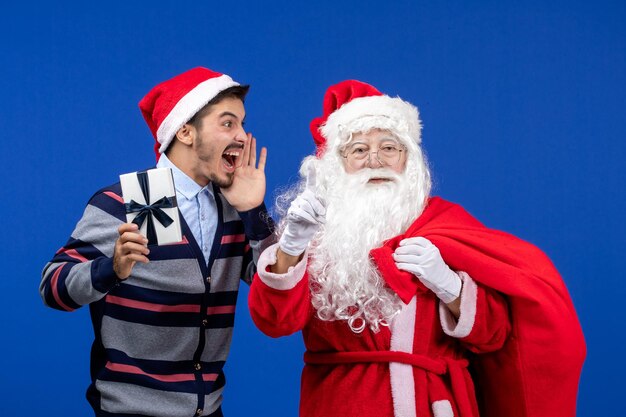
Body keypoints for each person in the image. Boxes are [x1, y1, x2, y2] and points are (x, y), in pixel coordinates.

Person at [248, 80, 585, 417]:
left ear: (408, 158)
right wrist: (292, 245)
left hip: (435, 405)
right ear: (338, 163)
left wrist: (450, 286)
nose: (375, 161)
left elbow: (494, 336)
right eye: (359, 150)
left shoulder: (446, 224)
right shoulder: (316, 232)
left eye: (389, 148)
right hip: (341, 404)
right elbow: (274, 323)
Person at [40, 67, 275, 417]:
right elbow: (52, 288)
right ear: (185, 131)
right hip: (131, 411)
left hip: (209, 410)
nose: (242, 135)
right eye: (228, 123)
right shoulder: (121, 203)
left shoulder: (235, 207)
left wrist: (255, 212)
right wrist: (112, 269)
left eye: (242, 123)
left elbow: (274, 290)